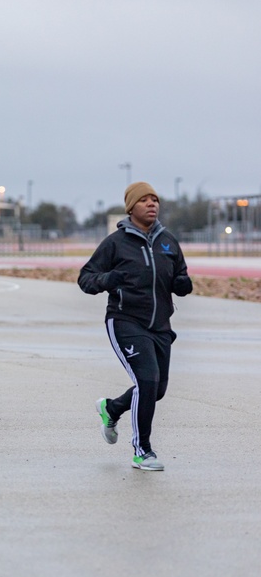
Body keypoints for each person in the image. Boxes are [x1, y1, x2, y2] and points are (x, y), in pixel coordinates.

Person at [79, 181, 192, 472]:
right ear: (132, 207)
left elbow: (181, 275)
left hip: (160, 325)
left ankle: (111, 408)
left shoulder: (168, 241)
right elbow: (86, 278)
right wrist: (108, 280)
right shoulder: (115, 243)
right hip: (126, 320)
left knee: (158, 389)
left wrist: (183, 284)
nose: (152, 204)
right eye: (145, 200)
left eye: (155, 199)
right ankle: (143, 451)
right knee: (147, 381)